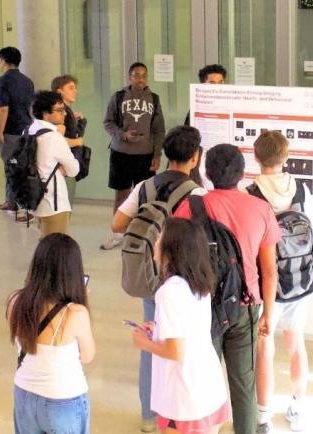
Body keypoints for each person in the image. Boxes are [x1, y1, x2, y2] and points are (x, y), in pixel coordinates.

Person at [174, 144, 281, 434]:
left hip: (201, 305)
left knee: (201, 382)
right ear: (243, 173)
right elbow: (269, 271)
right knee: (244, 384)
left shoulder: (190, 206)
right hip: (245, 304)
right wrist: (268, 313)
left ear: (207, 173)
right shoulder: (260, 208)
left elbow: (177, 260)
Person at [111, 125, 205, 432]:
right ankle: (180, 413)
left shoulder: (145, 187)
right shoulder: (197, 194)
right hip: (185, 281)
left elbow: (117, 224)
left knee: (153, 341)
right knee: (183, 345)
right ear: (195, 157)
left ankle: (149, 416)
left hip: (152, 276)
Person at [131, 217, 230, 434]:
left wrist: (143, 343)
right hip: (206, 385)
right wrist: (158, 330)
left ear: (171, 248)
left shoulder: (169, 292)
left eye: (159, 238)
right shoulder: (199, 282)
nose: (155, 243)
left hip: (183, 395)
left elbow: (175, 351)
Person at [248, 131, 312, 433]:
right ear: (285, 157)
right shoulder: (300, 188)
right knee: (296, 344)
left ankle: (263, 417)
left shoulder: (251, 192)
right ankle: (298, 406)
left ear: (256, 157)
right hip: (299, 277)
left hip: (266, 283)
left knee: (265, 349)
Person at [8, 233, 95, 434]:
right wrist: (82, 302)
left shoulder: (16, 301)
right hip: (63, 398)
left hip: (24, 394)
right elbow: (87, 356)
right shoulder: (75, 313)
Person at [101, 62, 165, 250]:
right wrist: (123, 135)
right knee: (121, 193)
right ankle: (117, 234)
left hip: (145, 155)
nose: (140, 79)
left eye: (144, 75)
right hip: (121, 153)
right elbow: (108, 123)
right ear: (130, 77)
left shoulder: (153, 99)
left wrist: (157, 154)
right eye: (136, 75)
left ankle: (143, 234)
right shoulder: (119, 97)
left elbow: (159, 130)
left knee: (145, 196)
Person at [28, 91, 80, 236]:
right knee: (55, 248)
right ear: (45, 113)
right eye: (59, 110)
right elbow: (74, 169)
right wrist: (62, 168)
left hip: (35, 198)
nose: (64, 113)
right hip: (53, 201)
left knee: (45, 244)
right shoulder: (53, 137)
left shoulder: (29, 130)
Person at [0, 46, 35, 222]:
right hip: (26, 127)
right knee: (22, 165)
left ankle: (18, 204)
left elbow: (3, 109)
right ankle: (10, 200)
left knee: (11, 167)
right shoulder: (27, 81)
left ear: (3, 60)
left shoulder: (2, 81)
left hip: (11, 130)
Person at [51, 74, 87, 203]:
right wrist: (77, 142)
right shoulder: (58, 113)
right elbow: (56, 139)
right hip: (62, 166)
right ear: (59, 91)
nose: (75, 91)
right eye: (71, 88)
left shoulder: (66, 111)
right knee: (63, 204)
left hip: (68, 163)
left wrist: (80, 122)